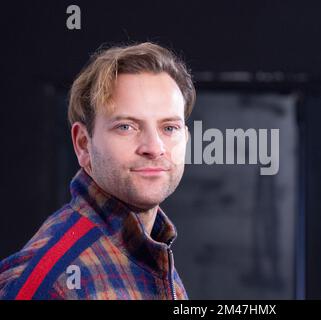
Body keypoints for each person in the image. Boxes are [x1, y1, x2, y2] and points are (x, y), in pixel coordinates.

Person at [0, 42, 195, 300]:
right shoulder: (53, 282)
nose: (154, 147)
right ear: (83, 144)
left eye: (169, 128)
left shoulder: (151, 251)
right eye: (126, 127)